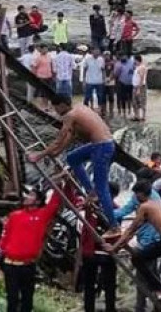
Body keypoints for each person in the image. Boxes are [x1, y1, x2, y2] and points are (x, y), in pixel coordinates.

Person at [28, 98, 120, 236]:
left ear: (63, 105)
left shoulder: (70, 115)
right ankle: (90, 191)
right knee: (73, 158)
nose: (55, 111)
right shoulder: (80, 109)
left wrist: (39, 155)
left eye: (56, 107)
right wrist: (56, 152)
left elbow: (59, 139)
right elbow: (70, 137)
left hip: (101, 147)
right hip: (104, 144)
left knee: (101, 188)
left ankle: (114, 227)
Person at [107, 181, 161, 312]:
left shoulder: (145, 206)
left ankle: (158, 287)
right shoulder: (157, 203)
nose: (135, 197)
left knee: (137, 258)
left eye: (136, 194)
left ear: (141, 194)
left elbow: (131, 229)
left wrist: (114, 247)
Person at [0, 185, 63, 312]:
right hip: (10, 265)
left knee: (27, 300)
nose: (27, 197)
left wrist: (60, 183)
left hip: (27, 265)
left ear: (38, 201)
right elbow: (4, 238)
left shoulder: (42, 215)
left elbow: (54, 202)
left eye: (31, 195)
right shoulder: (14, 216)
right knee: (12, 299)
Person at [81, 198, 118, 312]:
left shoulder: (111, 209)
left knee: (97, 285)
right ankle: (106, 308)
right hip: (98, 252)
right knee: (104, 285)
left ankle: (105, 308)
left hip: (103, 252)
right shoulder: (92, 206)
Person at [82, 47, 106, 115]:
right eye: (96, 51)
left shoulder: (101, 59)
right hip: (89, 81)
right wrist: (84, 80)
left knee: (100, 96)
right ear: (92, 51)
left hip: (99, 81)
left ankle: (100, 111)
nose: (97, 53)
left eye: (98, 52)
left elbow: (103, 70)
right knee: (87, 96)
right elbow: (85, 70)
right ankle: (85, 111)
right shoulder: (87, 59)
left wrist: (104, 79)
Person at [31, 43, 53, 109]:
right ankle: (44, 106)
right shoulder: (38, 57)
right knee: (43, 93)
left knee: (49, 92)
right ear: (41, 49)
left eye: (47, 49)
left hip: (49, 76)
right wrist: (34, 76)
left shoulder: (49, 56)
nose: (46, 50)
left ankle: (47, 105)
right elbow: (34, 66)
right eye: (45, 49)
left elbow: (51, 65)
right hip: (41, 77)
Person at [114, 54, 135, 118]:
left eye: (124, 56)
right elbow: (116, 74)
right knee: (123, 98)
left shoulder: (131, 62)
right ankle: (123, 112)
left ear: (127, 56)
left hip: (131, 83)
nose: (123, 57)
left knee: (130, 98)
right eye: (122, 56)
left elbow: (135, 69)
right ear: (120, 57)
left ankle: (130, 111)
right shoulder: (118, 64)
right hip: (122, 83)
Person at [132, 54, 148, 122]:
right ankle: (137, 116)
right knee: (135, 102)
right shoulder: (138, 67)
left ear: (136, 60)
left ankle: (143, 116)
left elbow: (141, 78)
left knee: (142, 101)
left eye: (134, 60)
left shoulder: (141, 67)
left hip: (140, 87)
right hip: (135, 86)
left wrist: (139, 88)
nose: (134, 61)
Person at [103, 52, 116, 118]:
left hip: (111, 82)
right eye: (105, 55)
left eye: (108, 55)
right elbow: (102, 71)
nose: (106, 56)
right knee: (104, 97)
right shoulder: (102, 62)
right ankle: (104, 111)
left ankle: (111, 111)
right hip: (103, 81)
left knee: (111, 97)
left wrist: (109, 78)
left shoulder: (112, 63)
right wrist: (104, 78)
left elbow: (113, 71)